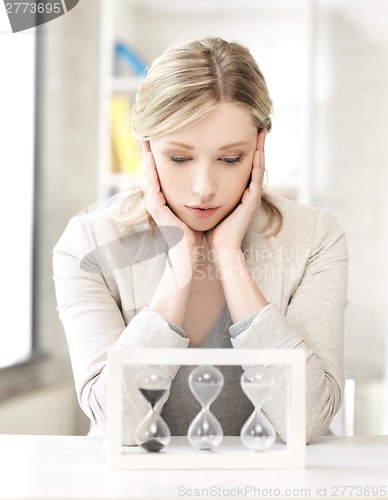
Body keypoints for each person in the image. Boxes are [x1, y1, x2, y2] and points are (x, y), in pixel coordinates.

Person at [53, 36, 348, 445]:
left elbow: (306, 421)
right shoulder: (89, 243)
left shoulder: (315, 237)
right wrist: (180, 263)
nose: (204, 188)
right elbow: (119, 425)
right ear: (147, 148)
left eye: (231, 159)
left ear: (260, 146)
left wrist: (230, 258)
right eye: (179, 158)